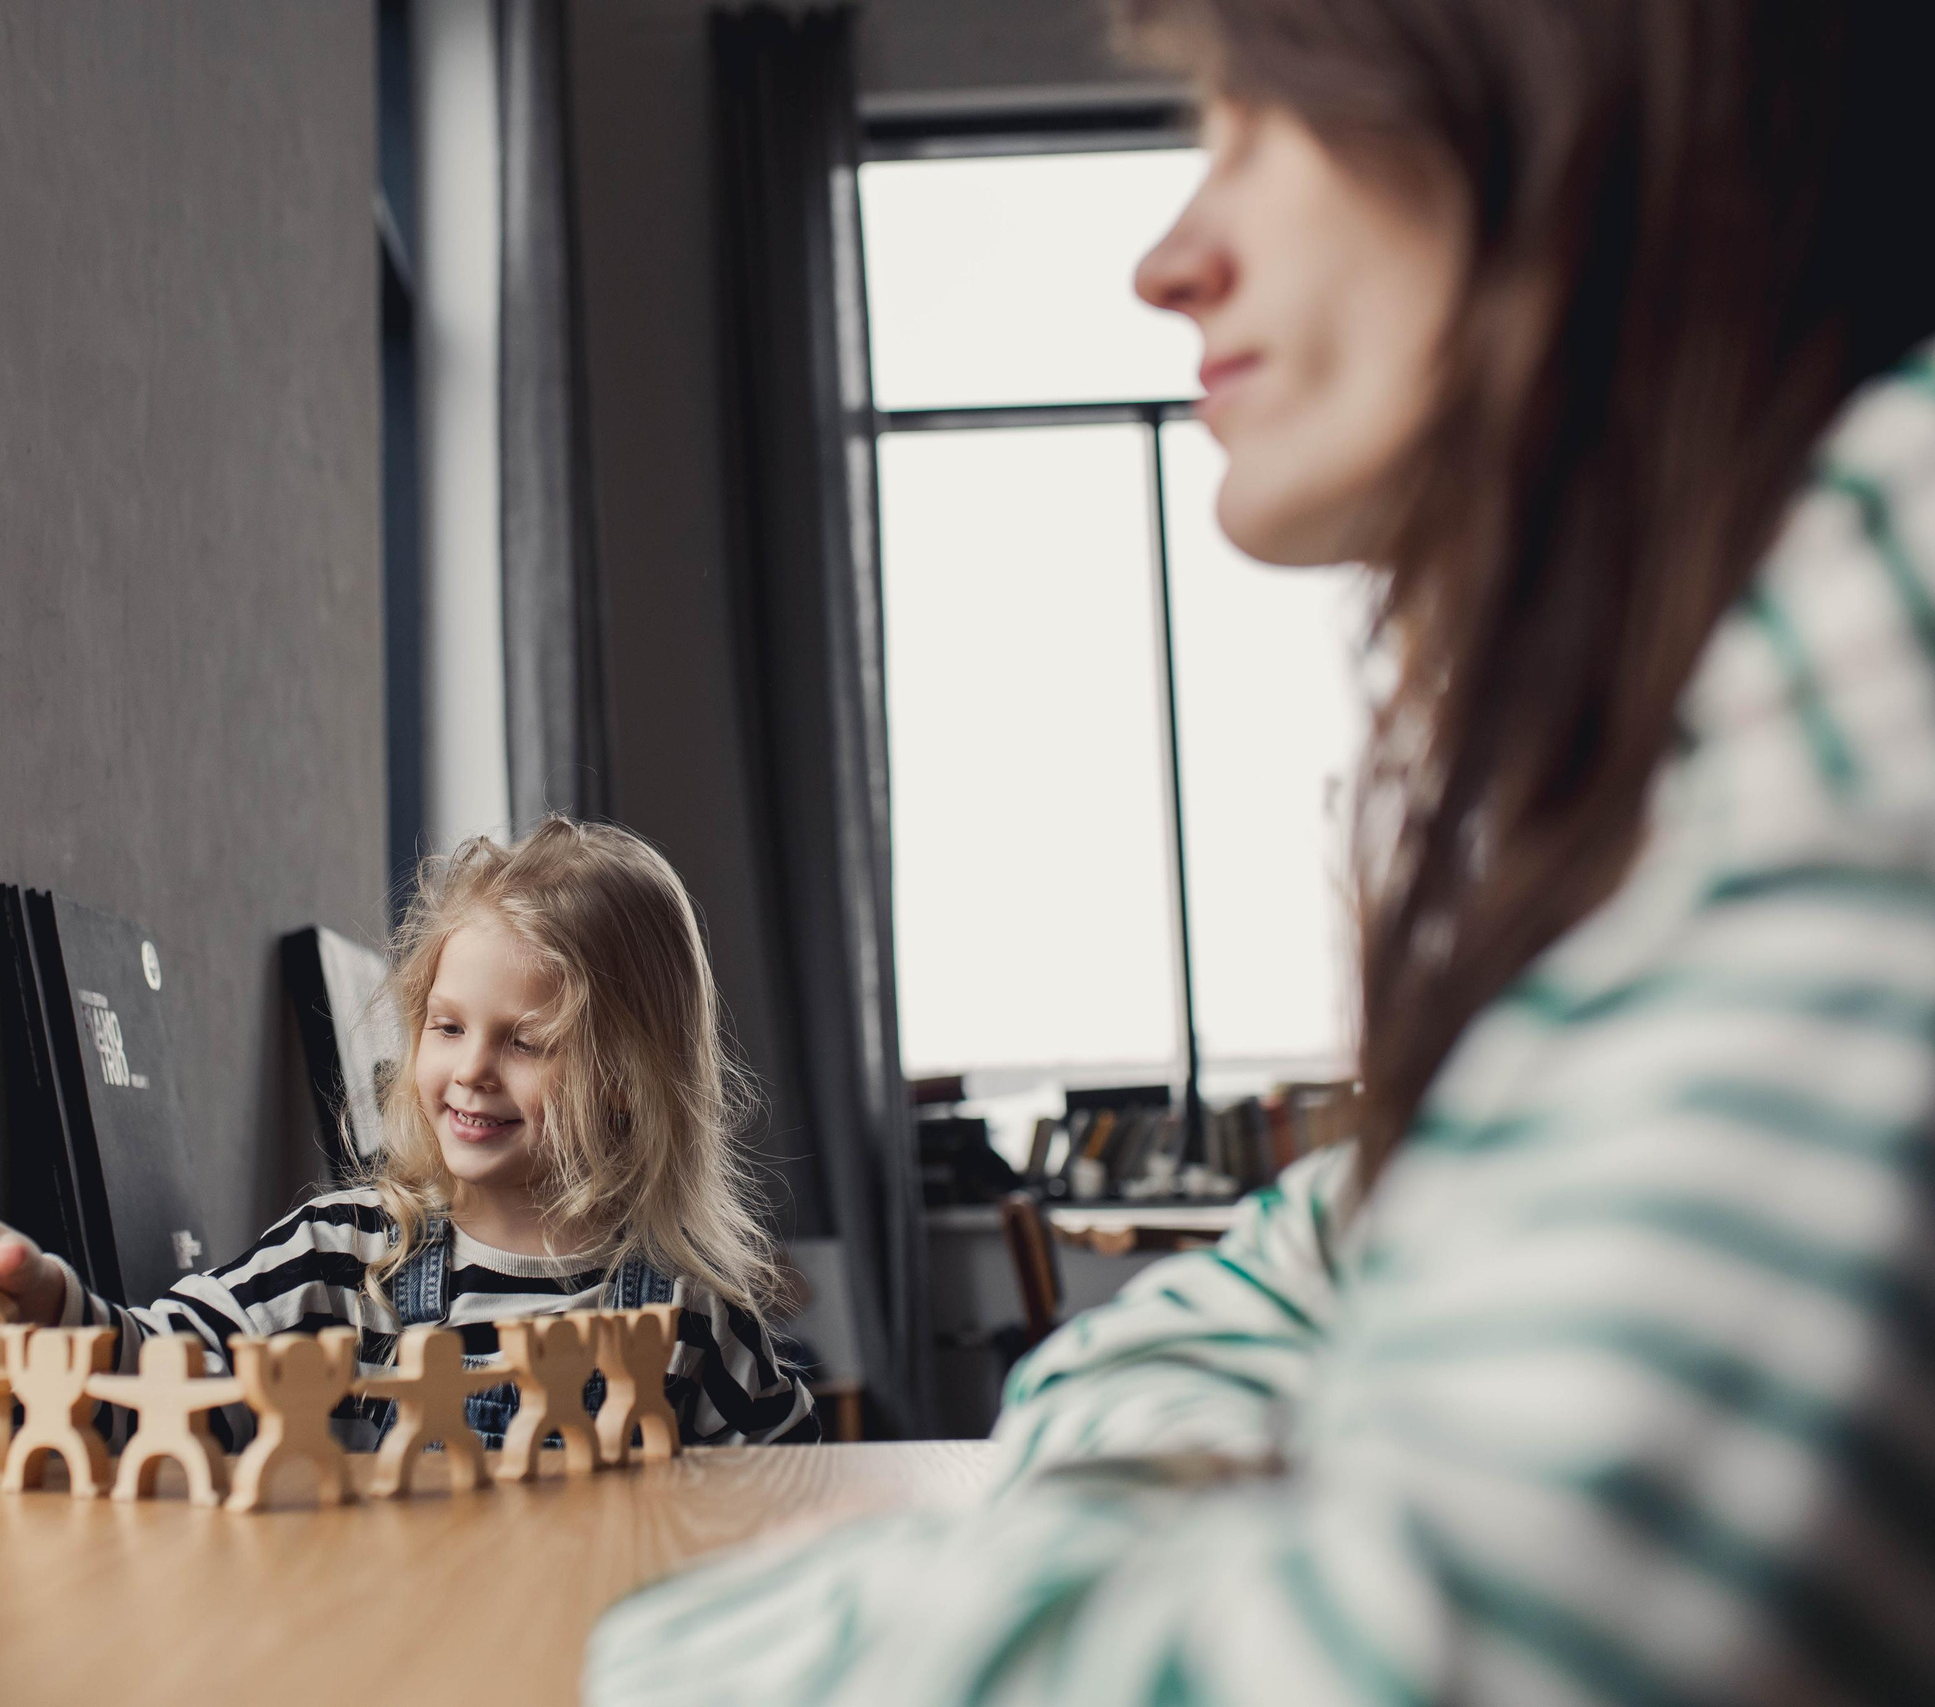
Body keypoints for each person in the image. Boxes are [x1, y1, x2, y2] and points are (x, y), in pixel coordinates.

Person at [586, 0, 1935, 1701]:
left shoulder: (1885, 669)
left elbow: (1449, 1652)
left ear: (1563, 89)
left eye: (1256, 124)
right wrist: (1128, 1518)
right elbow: (1297, 1274)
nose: (1167, 259)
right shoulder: (1726, 742)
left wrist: (721, 1640)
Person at [0, 816, 817, 1450]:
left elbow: (791, 1515)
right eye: (447, 1027)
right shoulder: (346, 1258)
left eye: (527, 1042)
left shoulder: (691, 1319)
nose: (471, 1069)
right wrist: (42, 1292)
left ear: (629, 1083)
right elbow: (159, 1369)